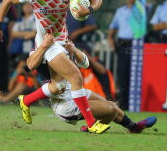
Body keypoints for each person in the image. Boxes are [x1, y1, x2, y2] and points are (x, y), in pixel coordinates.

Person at [0, 0, 106, 134]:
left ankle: (25, 101)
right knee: (76, 75)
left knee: (58, 87)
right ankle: (91, 123)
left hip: (64, 42)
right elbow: (7, 1)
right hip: (47, 44)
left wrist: (88, 9)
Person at [18, 33, 157, 134]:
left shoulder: (62, 43)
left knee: (112, 105)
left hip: (76, 92)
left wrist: (73, 50)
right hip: (64, 103)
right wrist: (43, 45)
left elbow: (85, 64)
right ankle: (90, 128)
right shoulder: (40, 49)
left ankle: (133, 127)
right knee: (111, 109)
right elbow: (30, 64)